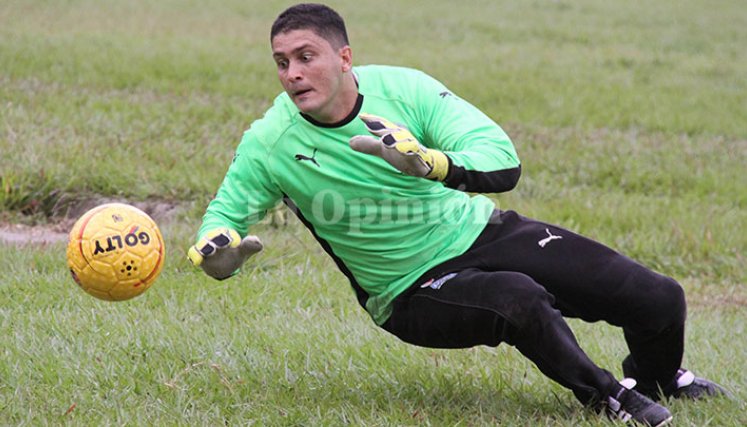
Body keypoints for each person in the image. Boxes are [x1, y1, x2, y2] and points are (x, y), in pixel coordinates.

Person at [187, 3, 727, 425]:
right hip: (408, 290)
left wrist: (431, 165)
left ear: (344, 58)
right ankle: (608, 398)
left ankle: (659, 380)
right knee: (519, 299)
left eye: (306, 57)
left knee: (659, 297)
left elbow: (502, 159)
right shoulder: (270, 141)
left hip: (479, 232)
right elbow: (225, 214)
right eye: (282, 63)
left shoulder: (406, 88)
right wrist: (219, 250)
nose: (292, 73)